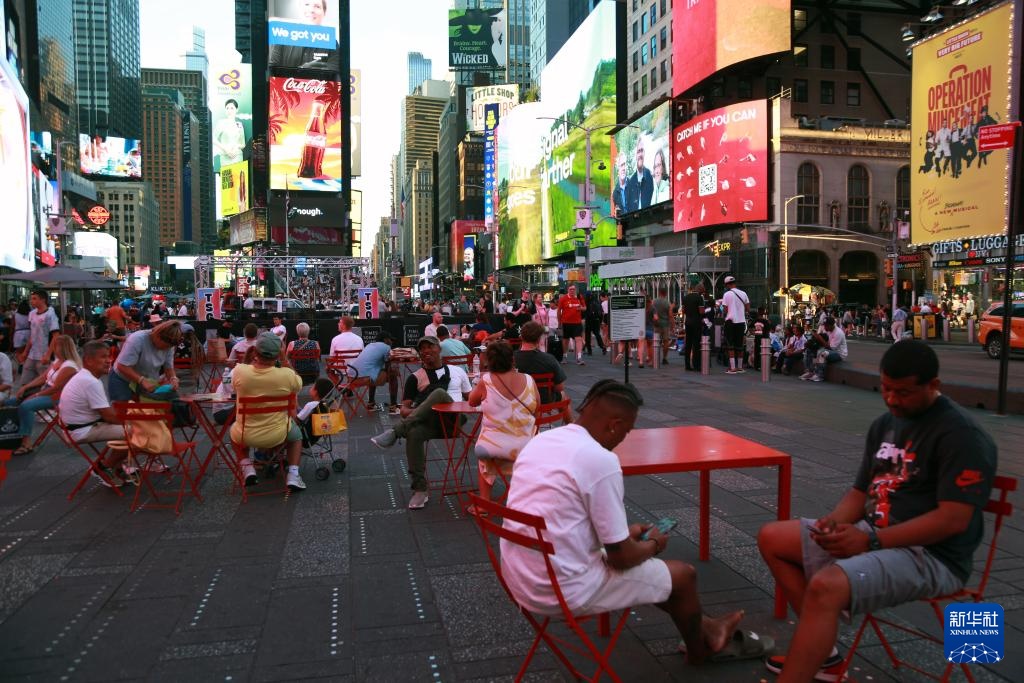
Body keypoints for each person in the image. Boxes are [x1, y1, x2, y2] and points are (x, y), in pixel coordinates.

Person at [758, 341, 997, 682]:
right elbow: (860, 491)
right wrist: (833, 524)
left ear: (934, 387)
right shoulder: (885, 423)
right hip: (875, 536)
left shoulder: (962, 436)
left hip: (933, 555)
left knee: (827, 586)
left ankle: (810, 651)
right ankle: (824, 654)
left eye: (904, 392)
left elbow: (952, 520)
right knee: (772, 537)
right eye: (886, 388)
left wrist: (869, 543)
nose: (892, 399)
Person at [502, 380, 760, 664]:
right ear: (614, 425)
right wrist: (652, 544)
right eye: (625, 432)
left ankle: (710, 628)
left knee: (654, 574)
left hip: (521, 576)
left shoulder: (541, 441)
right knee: (683, 575)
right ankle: (703, 653)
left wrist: (624, 535)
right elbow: (622, 558)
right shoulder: (600, 460)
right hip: (563, 588)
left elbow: (562, 515)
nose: (622, 439)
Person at [369, 336, 472, 509]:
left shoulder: (457, 371)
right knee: (414, 433)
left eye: (430, 347)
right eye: (422, 349)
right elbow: (403, 411)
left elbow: (471, 399)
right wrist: (424, 409)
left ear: (439, 349)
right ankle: (419, 489)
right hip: (430, 423)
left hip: (452, 421)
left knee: (439, 393)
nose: (426, 351)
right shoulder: (415, 378)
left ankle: (395, 432)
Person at [467, 342, 538, 512]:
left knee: (484, 455)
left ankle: (484, 504)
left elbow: (472, 401)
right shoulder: (529, 379)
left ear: (489, 362)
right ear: (513, 359)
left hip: (493, 448)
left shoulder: (486, 381)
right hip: (526, 447)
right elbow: (538, 407)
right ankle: (526, 501)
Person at [230, 333, 306, 491]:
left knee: (233, 432)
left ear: (255, 352)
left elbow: (235, 385)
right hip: (278, 434)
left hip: (246, 434)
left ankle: (247, 466)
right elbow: (298, 384)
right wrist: (284, 359)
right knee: (297, 435)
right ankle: (293, 474)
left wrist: (249, 358)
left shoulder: (239, 371)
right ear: (278, 353)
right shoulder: (287, 375)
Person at [59, 341, 130, 487]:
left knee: (131, 428)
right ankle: (103, 468)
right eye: (103, 357)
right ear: (89, 360)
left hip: (75, 427)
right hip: (81, 430)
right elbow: (108, 416)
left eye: (109, 356)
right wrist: (133, 421)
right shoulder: (90, 382)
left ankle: (116, 468)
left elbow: (106, 413)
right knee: (136, 432)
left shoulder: (85, 377)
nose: (108, 360)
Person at [3, 335, 80, 455]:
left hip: (58, 397)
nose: (52, 348)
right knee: (9, 403)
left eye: (55, 346)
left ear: (63, 348)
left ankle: (26, 443)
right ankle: (10, 436)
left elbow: (56, 388)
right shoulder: (58, 361)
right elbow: (43, 377)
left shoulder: (70, 366)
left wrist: (36, 395)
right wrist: (26, 387)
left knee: (26, 406)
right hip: (47, 391)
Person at [108, 320, 183, 402]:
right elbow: (122, 366)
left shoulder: (169, 345)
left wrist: (173, 378)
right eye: (164, 346)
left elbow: (168, 367)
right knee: (124, 410)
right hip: (122, 379)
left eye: (168, 347)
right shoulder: (137, 339)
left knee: (145, 410)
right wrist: (142, 380)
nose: (165, 349)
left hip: (145, 381)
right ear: (157, 336)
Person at [268, 0, 341, 71]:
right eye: (307, 4)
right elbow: (272, 73)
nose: (311, 10)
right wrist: (301, 70)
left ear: (324, 13)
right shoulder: (282, 37)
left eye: (317, 6)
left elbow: (334, 76)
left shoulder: (332, 43)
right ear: (300, 9)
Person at [513, 322, 566, 404]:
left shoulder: (510, 359)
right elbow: (560, 387)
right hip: (544, 399)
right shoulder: (549, 359)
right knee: (563, 395)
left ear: (521, 337)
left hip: (517, 399)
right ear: (539, 339)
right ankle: (569, 417)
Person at [347, 331, 399, 413]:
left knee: (374, 372)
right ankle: (393, 406)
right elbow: (388, 367)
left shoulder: (369, 345)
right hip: (363, 378)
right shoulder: (386, 347)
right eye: (390, 340)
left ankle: (371, 404)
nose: (391, 342)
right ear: (386, 340)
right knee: (392, 375)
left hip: (351, 378)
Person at [17, 290, 60, 386]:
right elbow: (32, 335)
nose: (31, 301)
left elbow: (56, 336)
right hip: (32, 355)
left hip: (44, 355)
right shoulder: (32, 313)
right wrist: (25, 352)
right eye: (31, 299)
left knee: (46, 383)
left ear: (43, 300)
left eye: (34, 299)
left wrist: (48, 355)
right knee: (25, 382)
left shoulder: (50, 314)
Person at [801, 317, 848, 383]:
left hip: (839, 354)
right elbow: (822, 340)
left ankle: (819, 375)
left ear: (832, 325)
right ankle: (810, 371)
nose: (824, 327)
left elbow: (831, 348)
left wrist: (820, 338)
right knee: (808, 350)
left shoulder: (838, 333)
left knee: (823, 353)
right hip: (828, 350)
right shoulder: (827, 330)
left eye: (826, 325)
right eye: (824, 325)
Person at [721, 276, 749, 374]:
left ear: (727, 284)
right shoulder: (743, 293)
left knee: (730, 345)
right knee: (740, 345)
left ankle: (733, 368)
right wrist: (740, 312)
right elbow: (747, 308)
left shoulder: (727, 294)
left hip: (730, 322)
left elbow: (725, 309)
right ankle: (740, 367)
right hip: (741, 322)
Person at [213, 98, 246, 168]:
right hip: (225, 156)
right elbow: (213, 139)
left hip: (238, 156)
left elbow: (243, 144)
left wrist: (236, 146)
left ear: (237, 110)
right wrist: (226, 150)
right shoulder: (221, 123)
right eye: (227, 108)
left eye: (232, 108)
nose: (229, 110)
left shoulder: (239, 124)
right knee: (228, 178)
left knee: (239, 178)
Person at [557, 285, 586, 366]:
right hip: (566, 323)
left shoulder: (579, 298)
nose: (572, 291)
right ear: (568, 290)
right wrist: (559, 322)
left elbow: (585, 308)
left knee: (578, 339)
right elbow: (559, 311)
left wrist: (580, 308)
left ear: (575, 290)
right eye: (570, 289)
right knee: (565, 340)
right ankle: (565, 356)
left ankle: (579, 357)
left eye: (573, 289)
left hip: (577, 323)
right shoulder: (563, 299)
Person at [681, 285, 706, 372]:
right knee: (696, 344)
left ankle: (687, 365)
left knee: (688, 344)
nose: (704, 291)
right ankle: (696, 365)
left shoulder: (686, 297)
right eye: (703, 289)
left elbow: (683, 311)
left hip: (688, 322)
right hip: (696, 323)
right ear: (700, 289)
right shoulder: (699, 298)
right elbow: (701, 311)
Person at [652, 287, 674, 365]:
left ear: (659, 292)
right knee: (665, 342)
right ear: (665, 293)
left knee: (656, 342)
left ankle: (655, 357)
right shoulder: (667, 303)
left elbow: (651, 312)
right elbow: (670, 315)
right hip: (665, 325)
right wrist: (672, 325)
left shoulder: (654, 301)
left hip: (656, 325)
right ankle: (664, 358)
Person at [632, 139, 654, 209]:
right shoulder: (631, 181)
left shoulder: (650, 176)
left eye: (642, 151)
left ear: (644, 153)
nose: (640, 154)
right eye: (638, 151)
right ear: (635, 155)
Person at [612, 152, 635, 216]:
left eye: (625, 165)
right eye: (621, 165)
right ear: (617, 169)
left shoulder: (633, 185)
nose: (623, 168)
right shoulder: (615, 193)